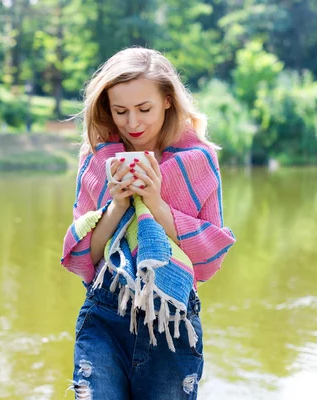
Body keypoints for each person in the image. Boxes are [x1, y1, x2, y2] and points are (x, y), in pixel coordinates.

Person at [61, 47, 236, 400]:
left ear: (168, 100)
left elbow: (208, 260)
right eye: (120, 111)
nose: (133, 123)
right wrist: (118, 203)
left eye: (144, 109)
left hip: (171, 321)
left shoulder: (198, 160)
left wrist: (155, 201)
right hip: (105, 314)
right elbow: (86, 259)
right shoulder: (97, 158)